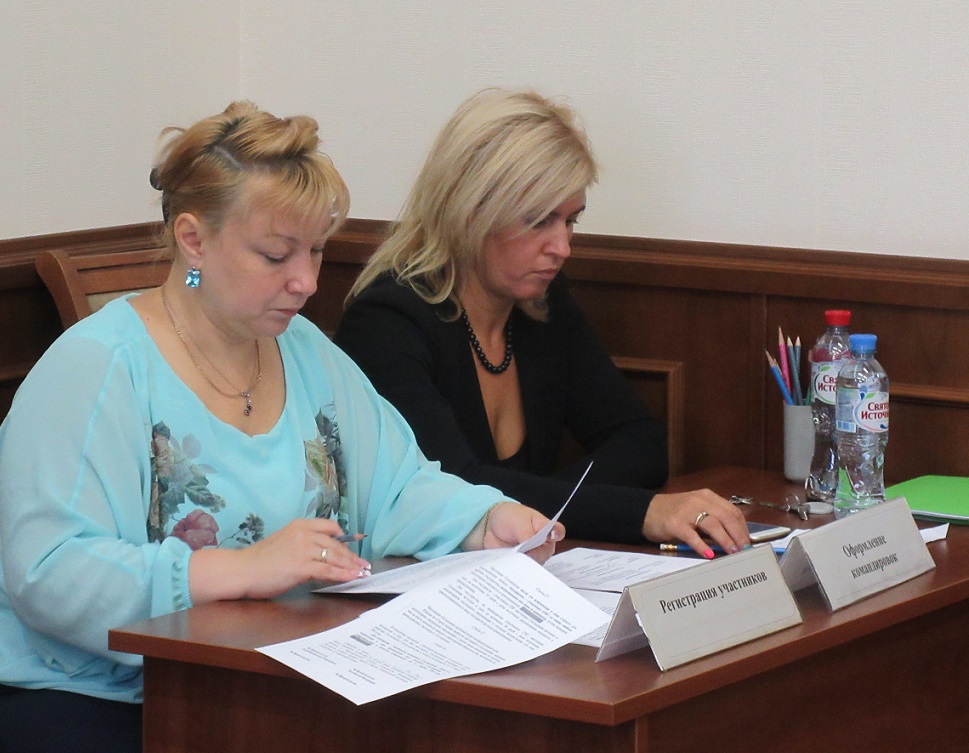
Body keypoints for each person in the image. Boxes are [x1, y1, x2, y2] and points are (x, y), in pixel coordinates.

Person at [0, 101, 561, 753]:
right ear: (193, 240)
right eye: (275, 255)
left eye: (316, 250)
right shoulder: (96, 368)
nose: (306, 281)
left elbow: (396, 485)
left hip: (267, 684)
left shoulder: (306, 351)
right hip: (98, 697)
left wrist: (482, 520)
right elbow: (49, 572)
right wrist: (237, 568)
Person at [335, 87, 748, 556]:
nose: (563, 248)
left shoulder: (540, 304)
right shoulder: (386, 321)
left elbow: (640, 440)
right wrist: (638, 513)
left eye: (571, 221)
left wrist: (543, 513)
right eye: (539, 221)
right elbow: (454, 489)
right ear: (470, 212)